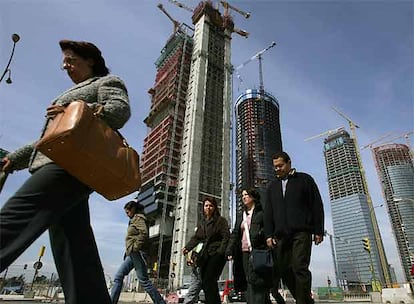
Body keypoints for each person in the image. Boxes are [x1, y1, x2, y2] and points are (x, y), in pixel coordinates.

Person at [0, 39, 131, 304]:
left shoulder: (106, 82)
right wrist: (13, 160)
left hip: (70, 166)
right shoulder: (71, 93)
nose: (66, 66)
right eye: (64, 63)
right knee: (74, 249)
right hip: (60, 163)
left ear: (90, 59)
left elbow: (120, 111)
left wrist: (76, 110)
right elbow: (48, 140)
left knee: (15, 218)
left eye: (71, 60)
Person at [264, 151, 324, 304]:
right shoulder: (272, 187)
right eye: (275, 167)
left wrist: (318, 230)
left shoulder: (304, 180)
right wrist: (268, 235)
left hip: (301, 232)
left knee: (299, 267)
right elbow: (268, 213)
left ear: (289, 163)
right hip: (281, 236)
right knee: (284, 270)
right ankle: (304, 300)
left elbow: (316, 205)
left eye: (280, 165)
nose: (277, 169)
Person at [110, 201, 166, 304]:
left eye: (127, 212)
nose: (127, 215)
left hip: (137, 253)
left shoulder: (138, 218)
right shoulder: (134, 220)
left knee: (144, 281)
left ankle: (161, 302)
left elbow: (144, 233)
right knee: (118, 276)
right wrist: (129, 251)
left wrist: (135, 247)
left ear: (133, 209)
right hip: (132, 254)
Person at [226, 188, 272, 304]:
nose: (244, 197)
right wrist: (230, 250)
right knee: (248, 280)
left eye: (246, 194)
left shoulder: (261, 213)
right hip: (243, 253)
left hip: (258, 251)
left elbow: (268, 230)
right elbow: (235, 234)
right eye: (242, 195)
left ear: (253, 197)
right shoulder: (241, 215)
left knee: (257, 280)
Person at [182, 197, 230, 304]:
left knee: (209, 280)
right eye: (206, 205)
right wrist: (187, 247)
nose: (208, 208)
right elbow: (196, 238)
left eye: (211, 205)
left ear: (215, 207)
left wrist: (221, 252)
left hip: (216, 255)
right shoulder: (202, 223)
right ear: (203, 207)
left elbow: (226, 236)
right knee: (206, 282)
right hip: (205, 256)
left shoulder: (220, 221)